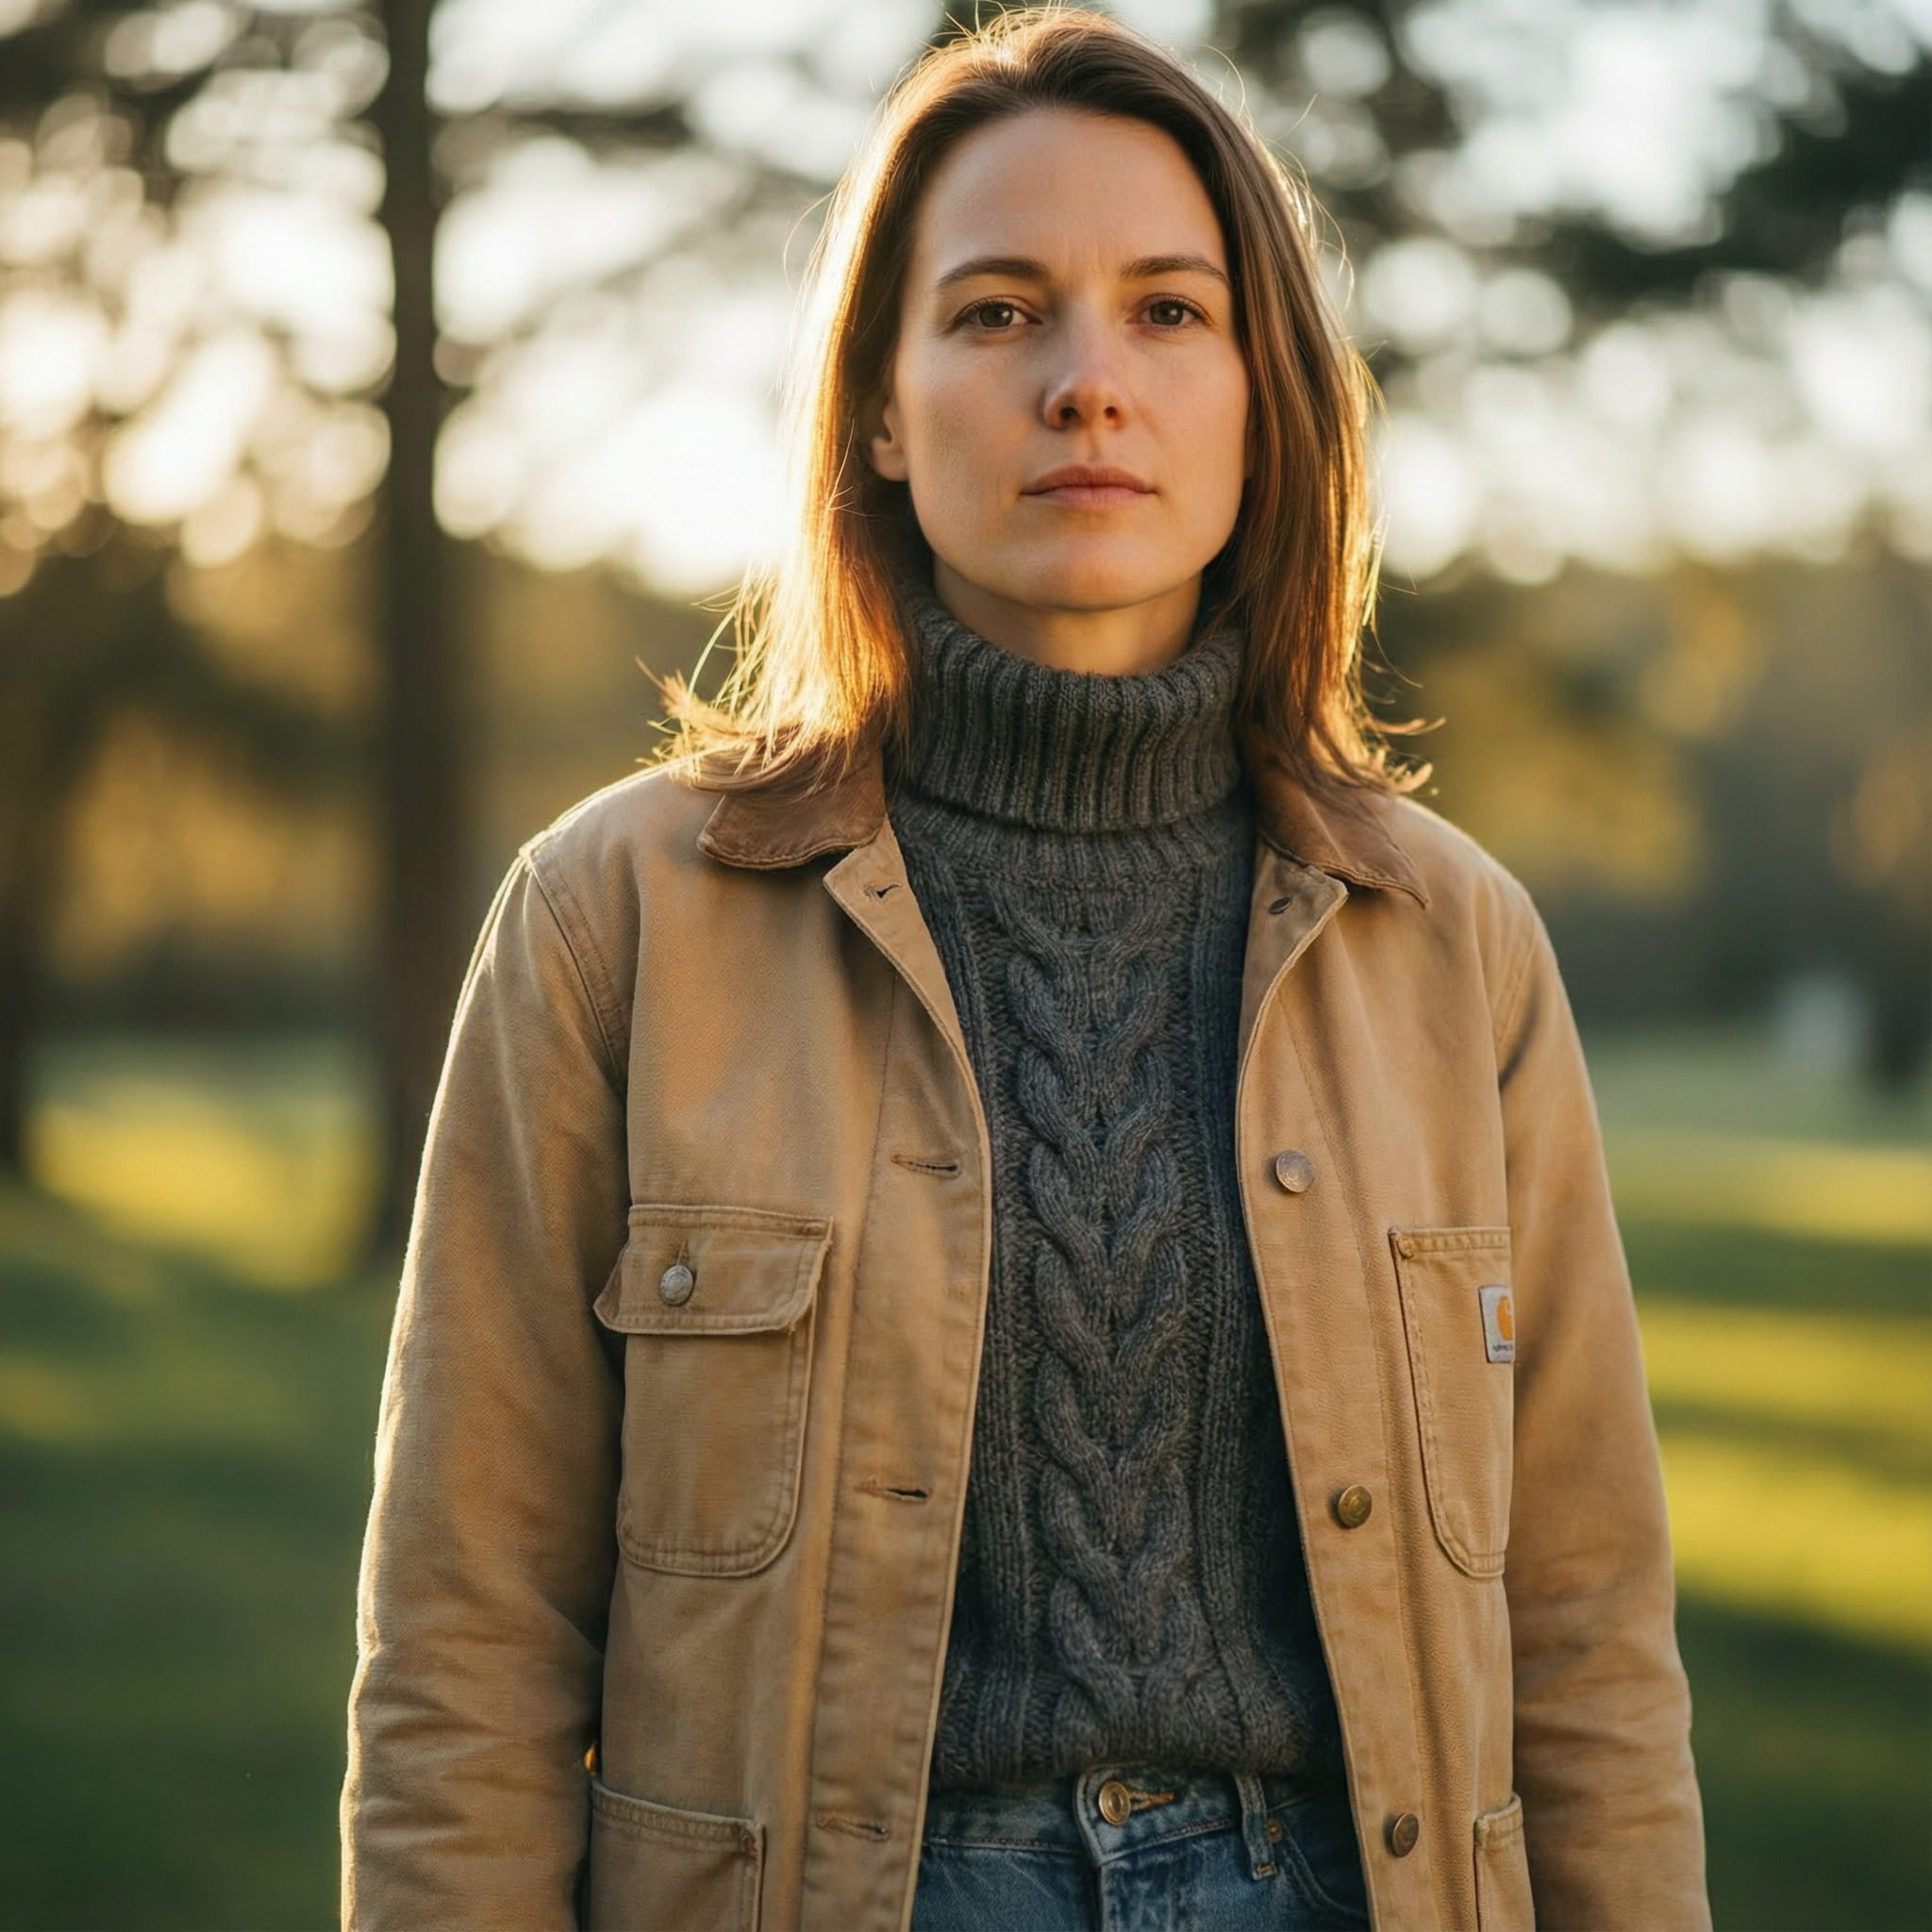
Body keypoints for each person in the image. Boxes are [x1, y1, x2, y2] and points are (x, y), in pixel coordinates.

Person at [341, 10, 1709, 1930]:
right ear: (883, 410)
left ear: (1263, 398)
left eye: (1168, 312)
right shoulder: (615, 919)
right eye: (995, 313)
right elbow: (465, 1648)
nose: (1086, 382)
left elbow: (1586, 1638)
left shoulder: (1448, 944)